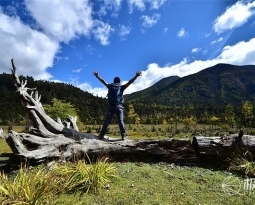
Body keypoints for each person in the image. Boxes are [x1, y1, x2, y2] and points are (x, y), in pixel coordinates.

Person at [93, 71, 142, 140]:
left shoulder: (110, 86)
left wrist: (97, 76)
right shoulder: (121, 87)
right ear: (119, 82)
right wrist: (136, 76)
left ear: (114, 81)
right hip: (119, 107)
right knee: (121, 121)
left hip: (111, 107)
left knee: (107, 121)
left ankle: (101, 135)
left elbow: (103, 81)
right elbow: (130, 82)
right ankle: (123, 136)